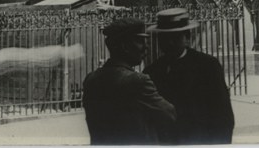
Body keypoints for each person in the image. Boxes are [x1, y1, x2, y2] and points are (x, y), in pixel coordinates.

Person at [83, 17, 177, 145]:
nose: (146, 46)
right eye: (140, 41)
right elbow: (170, 115)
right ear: (124, 46)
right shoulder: (138, 81)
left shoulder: (91, 79)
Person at [146, 8, 234, 145]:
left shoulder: (207, 66)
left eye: (175, 37)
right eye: (163, 38)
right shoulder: (152, 71)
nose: (169, 43)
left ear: (187, 37)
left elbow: (222, 115)